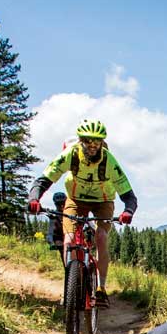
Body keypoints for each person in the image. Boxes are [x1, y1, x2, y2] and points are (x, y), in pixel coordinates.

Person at [28, 120, 137, 307]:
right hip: (76, 199)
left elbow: (128, 194)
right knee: (69, 240)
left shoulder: (109, 160)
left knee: (101, 237)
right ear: (80, 141)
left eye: (97, 142)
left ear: (102, 143)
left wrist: (128, 211)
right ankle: (70, 283)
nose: (92, 146)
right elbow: (45, 178)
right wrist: (34, 199)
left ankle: (101, 289)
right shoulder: (70, 154)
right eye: (88, 141)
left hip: (103, 201)